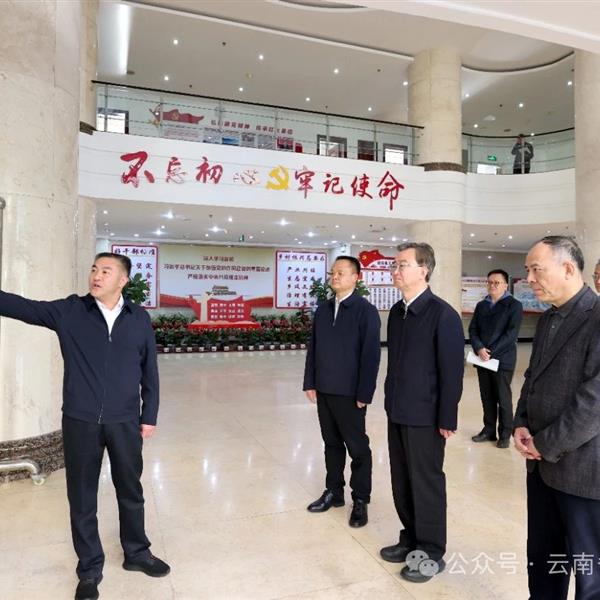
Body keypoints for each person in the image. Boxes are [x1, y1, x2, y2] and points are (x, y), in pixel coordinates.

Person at [0, 253, 170, 600]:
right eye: (94, 269)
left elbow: (149, 369)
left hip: (125, 420)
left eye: (106, 271)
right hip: (80, 420)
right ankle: (90, 568)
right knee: (82, 497)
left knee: (131, 490)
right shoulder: (70, 311)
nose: (96, 275)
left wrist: (149, 414)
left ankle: (137, 553)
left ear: (123, 280)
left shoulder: (138, 318)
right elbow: (21, 307)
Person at [514, 236, 600, 600]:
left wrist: (543, 444)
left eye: (537, 269)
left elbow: (593, 403)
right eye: (527, 270)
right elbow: (532, 377)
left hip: (583, 471)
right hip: (541, 469)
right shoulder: (549, 318)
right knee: (544, 559)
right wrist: (520, 422)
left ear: (567, 268)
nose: (529, 279)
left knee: (589, 573)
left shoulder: (596, 316)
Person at [379, 242, 464, 583]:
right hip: (398, 409)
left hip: (426, 416)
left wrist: (447, 417)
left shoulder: (442, 315)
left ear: (423, 270)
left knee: (426, 482)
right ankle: (411, 538)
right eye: (394, 265)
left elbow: (451, 373)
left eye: (402, 265)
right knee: (401, 479)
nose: (395, 270)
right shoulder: (397, 313)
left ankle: (430, 551)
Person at [303, 255, 381, 528]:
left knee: (357, 448)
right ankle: (334, 491)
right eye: (332, 273)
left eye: (341, 273)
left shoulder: (365, 311)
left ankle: (360, 499)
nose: (334, 277)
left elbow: (371, 356)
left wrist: (364, 393)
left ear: (356, 278)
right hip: (325, 389)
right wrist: (310, 381)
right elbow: (314, 347)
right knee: (331, 444)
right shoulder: (323, 309)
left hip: (350, 393)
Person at [469, 269, 523, 448]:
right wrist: (479, 348)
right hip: (482, 359)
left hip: (502, 359)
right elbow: (473, 329)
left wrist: (489, 352)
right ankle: (489, 430)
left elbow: (511, 334)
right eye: (490, 282)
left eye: (496, 282)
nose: (492, 285)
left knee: (503, 398)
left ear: (505, 285)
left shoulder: (514, 305)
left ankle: (505, 434)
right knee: (487, 397)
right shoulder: (481, 305)